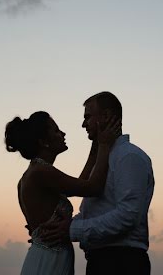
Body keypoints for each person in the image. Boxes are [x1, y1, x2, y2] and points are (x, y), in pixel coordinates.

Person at [36, 92, 155, 275]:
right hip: (102, 261)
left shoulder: (129, 157)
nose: (83, 124)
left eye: (88, 117)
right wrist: (60, 227)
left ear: (106, 116)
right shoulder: (103, 160)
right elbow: (91, 210)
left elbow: (128, 215)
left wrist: (71, 229)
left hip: (122, 262)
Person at [5, 110, 121, 275]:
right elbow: (92, 187)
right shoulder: (41, 172)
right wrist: (104, 145)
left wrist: (95, 146)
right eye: (56, 130)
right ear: (44, 141)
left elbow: (81, 183)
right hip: (50, 260)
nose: (63, 133)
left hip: (49, 257)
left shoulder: (35, 173)